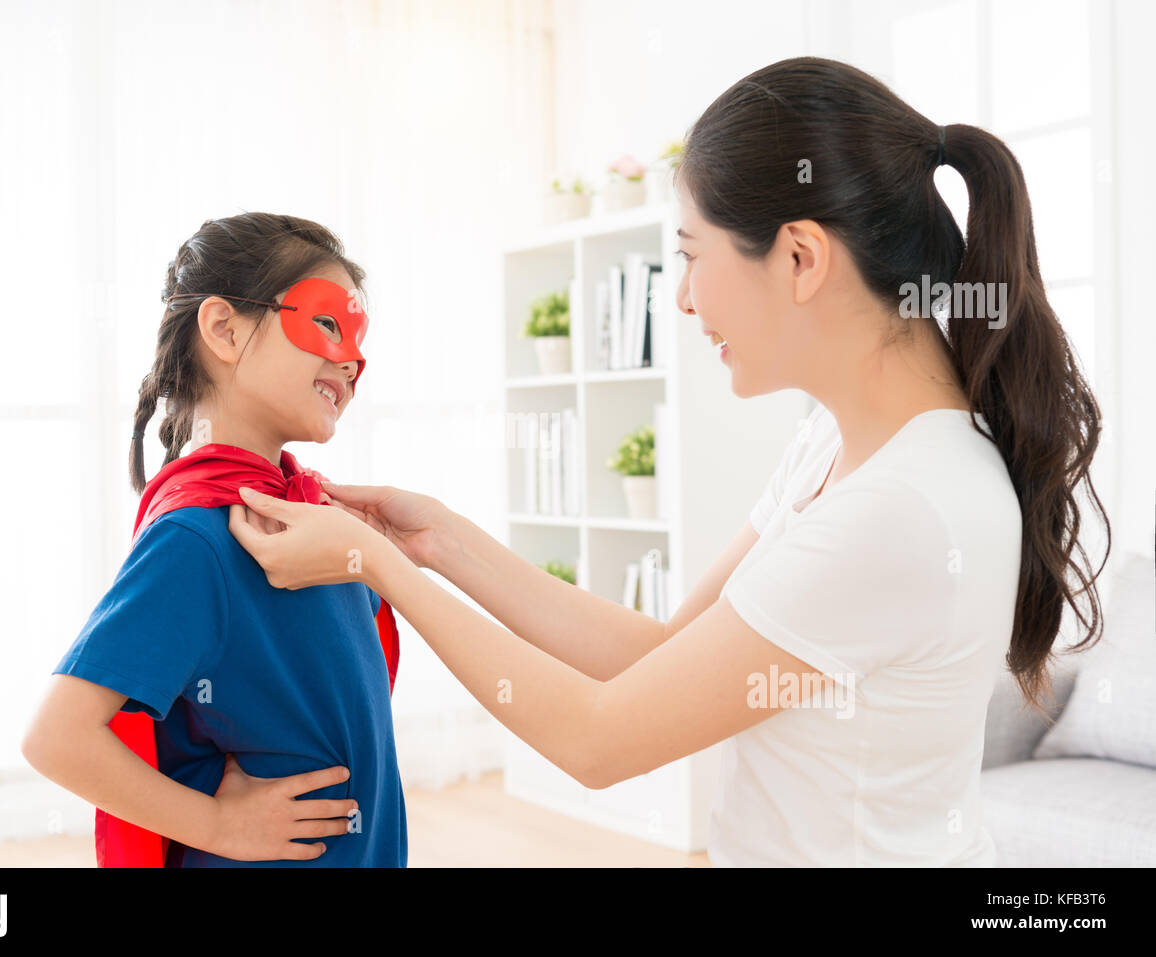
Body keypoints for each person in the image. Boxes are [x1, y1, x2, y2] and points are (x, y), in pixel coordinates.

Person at [226, 57, 1110, 866]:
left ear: (801, 258)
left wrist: (373, 564)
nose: (682, 300)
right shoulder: (834, 444)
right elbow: (658, 654)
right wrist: (438, 543)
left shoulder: (905, 509)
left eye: (690, 258)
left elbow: (600, 739)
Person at [21, 212, 406, 867]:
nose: (351, 359)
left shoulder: (314, 517)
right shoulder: (195, 538)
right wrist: (217, 824)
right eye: (326, 324)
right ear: (224, 329)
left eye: (360, 341)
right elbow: (56, 736)